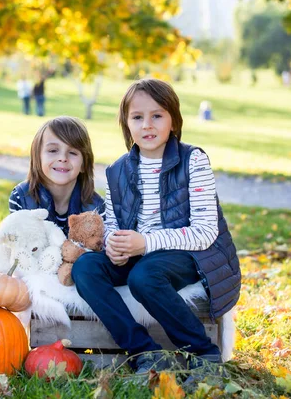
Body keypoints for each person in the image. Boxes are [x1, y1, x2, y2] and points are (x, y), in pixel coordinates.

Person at [71, 78, 241, 374]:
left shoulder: (193, 161)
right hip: (138, 251)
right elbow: (112, 221)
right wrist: (114, 245)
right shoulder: (117, 170)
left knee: (144, 276)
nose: (147, 125)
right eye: (137, 117)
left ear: (173, 121)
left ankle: (204, 356)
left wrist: (145, 243)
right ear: (127, 125)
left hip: (186, 253)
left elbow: (205, 232)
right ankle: (144, 351)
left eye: (156, 115)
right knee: (85, 268)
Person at [9, 116, 104, 236]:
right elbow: (18, 246)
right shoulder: (21, 197)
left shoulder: (96, 208)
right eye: (53, 151)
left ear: (83, 164)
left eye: (72, 152)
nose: (63, 158)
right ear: (38, 157)